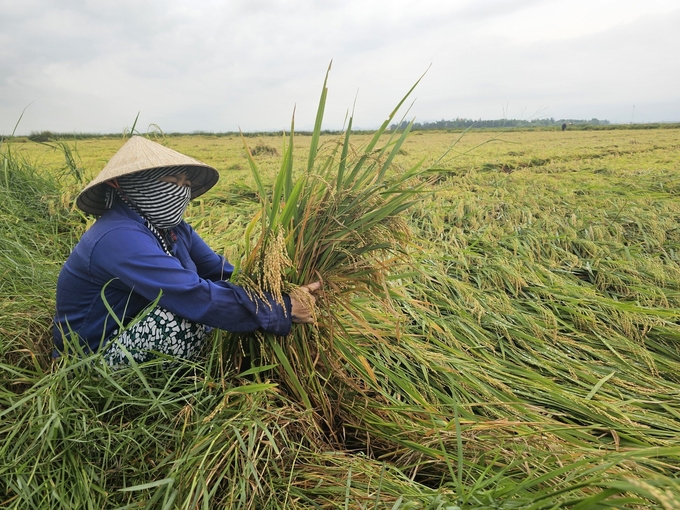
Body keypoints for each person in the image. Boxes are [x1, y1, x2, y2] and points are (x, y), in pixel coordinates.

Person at [53, 136, 319, 366]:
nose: (183, 189)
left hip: (132, 328)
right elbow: (192, 295)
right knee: (184, 315)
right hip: (90, 356)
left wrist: (277, 288)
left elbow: (220, 272)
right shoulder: (117, 237)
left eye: (185, 181)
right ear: (125, 185)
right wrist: (280, 309)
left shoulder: (174, 228)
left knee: (213, 304)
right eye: (173, 179)